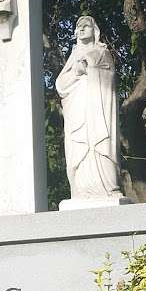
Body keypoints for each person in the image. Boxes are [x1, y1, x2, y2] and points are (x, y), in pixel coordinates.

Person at [55, 15, 124, 202]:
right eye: (79, 26)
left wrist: (89, 70)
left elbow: (110, 80)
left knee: (100, 148)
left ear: (95, 31)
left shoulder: (102, 52)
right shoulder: (73, 56)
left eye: (87, 26)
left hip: (98, 114)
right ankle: (81, 190)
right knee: (80, 150)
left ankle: (107, 187)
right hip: (78, 115)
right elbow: (61, 85)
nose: (83, 29)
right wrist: (77, 73)